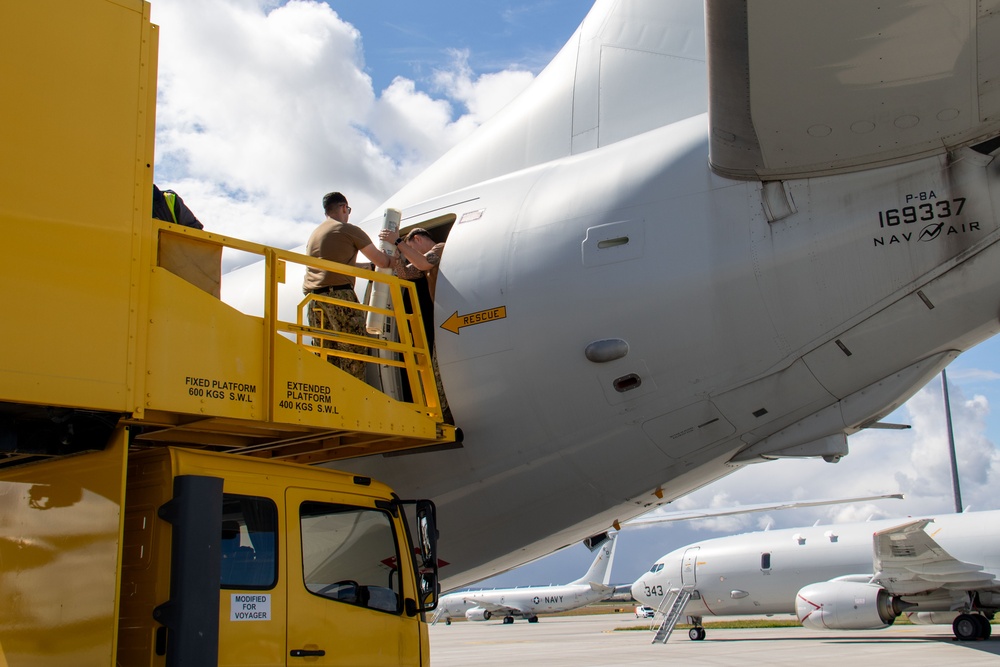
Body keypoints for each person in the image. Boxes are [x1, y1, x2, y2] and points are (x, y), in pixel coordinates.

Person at [303, 192, 394, 381]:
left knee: (327, 356)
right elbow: (382, 261)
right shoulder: (348, 229)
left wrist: (365, 268)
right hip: (339, 298)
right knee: (353, 352)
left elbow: (334, 266)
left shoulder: (315, 235)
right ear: (344, 207)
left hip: (313, 301)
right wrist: (396, 252)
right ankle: (352, 401)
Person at [378, 227, 451, 423]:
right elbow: (405, 274)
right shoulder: (422, 259)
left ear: (417, 239)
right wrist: (399, 255)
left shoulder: (441, 248)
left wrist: (398, 242)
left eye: (412, 249)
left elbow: (425, 263)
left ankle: (444, 415)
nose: (413, 256)